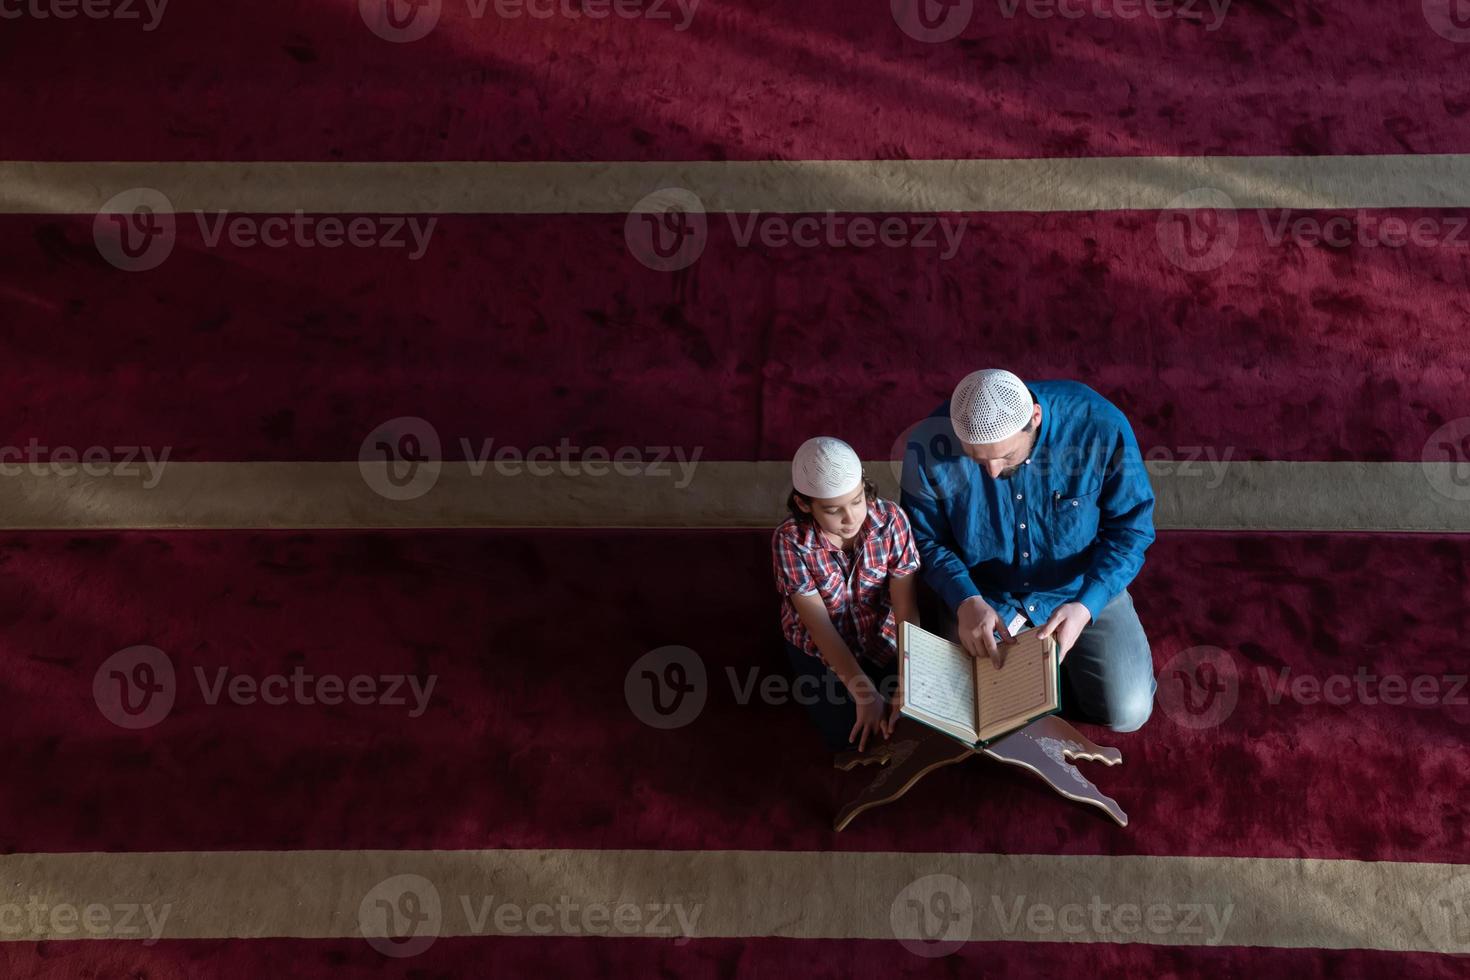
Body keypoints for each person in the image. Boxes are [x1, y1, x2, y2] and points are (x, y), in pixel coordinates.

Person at [899, 369, 1157, 732]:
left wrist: (1087, 606)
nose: (990, 472)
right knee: (962, 719)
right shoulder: (929, 443)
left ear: (1034, 419)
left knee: (1128, 712)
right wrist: (964, 600)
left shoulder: (1098, 425)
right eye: (976, 459)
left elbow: (1131, 529)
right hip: (984, 595)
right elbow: (925, 538)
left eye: (1005, 456)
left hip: (1078, 587)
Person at [771, 436, 921, 752]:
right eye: (833, 510)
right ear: (803, 504)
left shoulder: (890, 520)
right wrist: (864, 694)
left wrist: (911, 675)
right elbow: (820, 628)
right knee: (850, 738)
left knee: (912, 721)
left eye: (856, 501)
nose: (851, 518)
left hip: (883, 638)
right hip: (821, 647)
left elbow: (906, 608)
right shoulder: (790, 541)